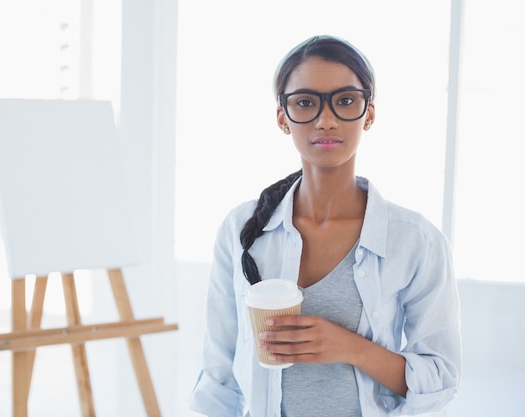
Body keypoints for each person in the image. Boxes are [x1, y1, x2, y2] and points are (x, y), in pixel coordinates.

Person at [189, 34, 461, 417]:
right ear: (283, 117)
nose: (326, 119)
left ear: (369, 112)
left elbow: (440, 378)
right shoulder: (240, 228)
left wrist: (349, 346)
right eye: (305, 102)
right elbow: (218, 377)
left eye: (346, 100)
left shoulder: (416, 241)